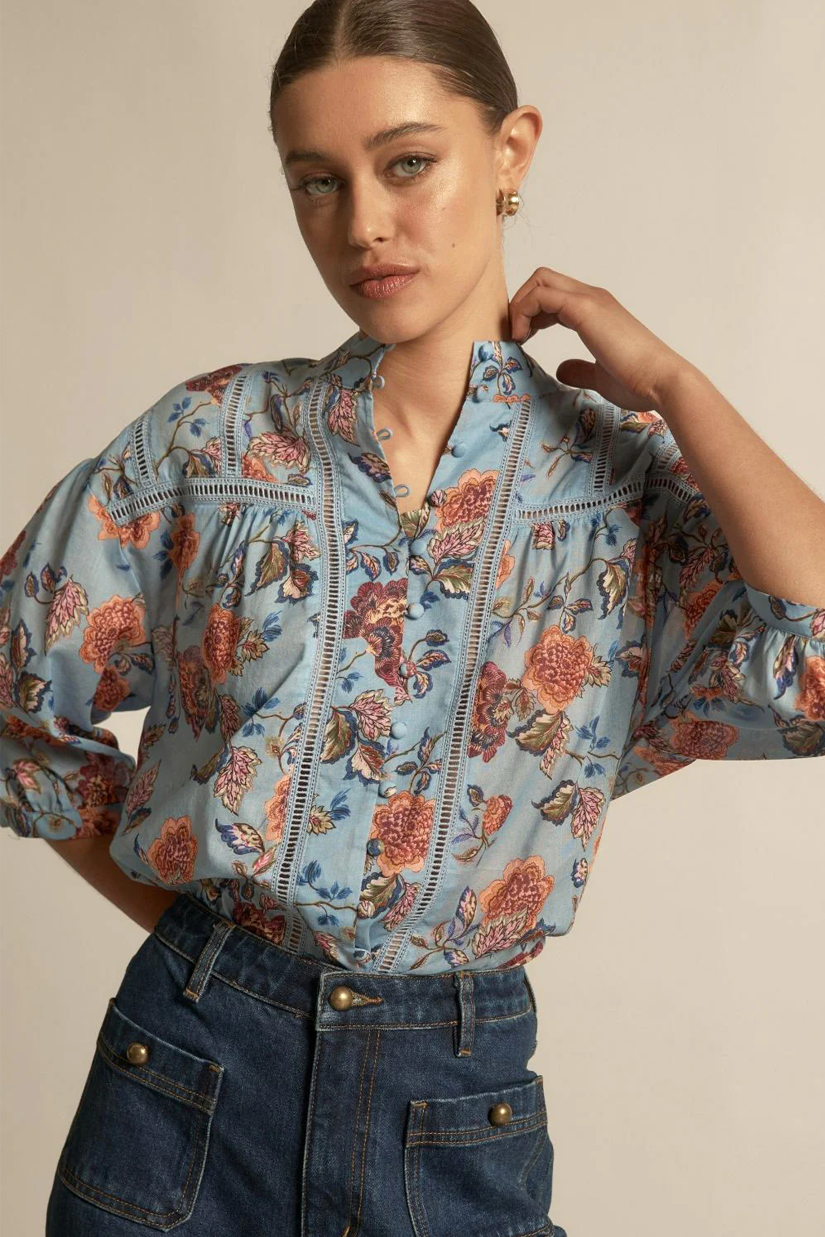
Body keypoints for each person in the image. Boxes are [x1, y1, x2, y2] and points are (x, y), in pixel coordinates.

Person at [2, 0, 823, 1232]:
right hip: (185, 1081)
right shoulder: (213, 445)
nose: (364, 225)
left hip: (454, 1099)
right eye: (317, 181)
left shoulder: (629, 494)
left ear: (510, 150)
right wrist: (204, 944)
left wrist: (675, 383)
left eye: (407, 164)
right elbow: (15, 693)